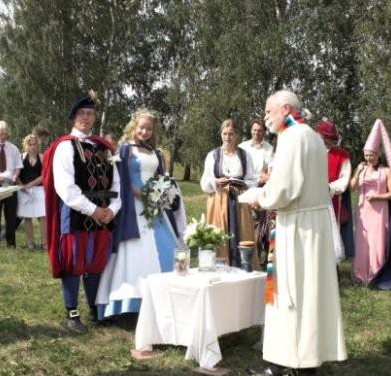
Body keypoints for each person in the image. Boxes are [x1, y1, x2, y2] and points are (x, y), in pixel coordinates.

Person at [248, 90, 347, 376]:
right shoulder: (313, 137)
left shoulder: (291, 137)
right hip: (312, 225)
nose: (265, 117)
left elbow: (284, 190)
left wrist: (258, 197)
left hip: (296, 227)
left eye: (269, 111)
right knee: (309, 293)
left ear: (286, 108)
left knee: (288, 292)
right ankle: (307, 362)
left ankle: (281, 363)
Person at [42, 93, 121, 334]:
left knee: (96, 262)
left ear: (94, 117)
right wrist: (93, 210)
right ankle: (72, 313)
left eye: (89, 114)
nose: (86, 118)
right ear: (73, 118)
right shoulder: (64, 146)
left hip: (104, 213)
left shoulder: (103, 147)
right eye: (81, 114)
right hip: (76, 212)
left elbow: (117, 182)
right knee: (73, 262)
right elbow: (65, 187)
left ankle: (95, 309)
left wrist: (112, 210)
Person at [96, 110, 186, 320]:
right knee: (136, 252)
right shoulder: (126, 150)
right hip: (134, 207)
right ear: (134, 127)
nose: (144, 131)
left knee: (167, 246)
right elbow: (123, 180)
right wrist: (144, 195)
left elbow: (158, 177)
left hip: (155, 206)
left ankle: (167, 297)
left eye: (149, 128)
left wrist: (160, 194)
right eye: (141, 127)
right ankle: (131, 300)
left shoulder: (154, 152)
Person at [350, 119, 391, 290]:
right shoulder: (362, 170)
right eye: (366, 155)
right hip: (363, 211)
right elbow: (352, 187)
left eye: (371, 154)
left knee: (377, 242)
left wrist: (377, 197)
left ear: (378, 154)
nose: (368, 158)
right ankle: (360, 274)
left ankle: (376, 274)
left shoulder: (386, 171)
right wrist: (357, 171)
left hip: (379, 212)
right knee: (362, 243)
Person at [200, 119, 258, 268]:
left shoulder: (245, 156)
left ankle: (244, 268)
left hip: (240, 201)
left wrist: (243, 185)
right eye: (225, 134)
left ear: (236, 135)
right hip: (219, 200)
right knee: (220, 234)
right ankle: (221, 268)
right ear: (221, 135)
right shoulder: (213, 155)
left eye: (231, 134)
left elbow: (253, 179)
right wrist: (215, 182)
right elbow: (204, 182)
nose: (227, 137)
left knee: (242, 233)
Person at [314, 119, 355, 260]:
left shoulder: (341, 155)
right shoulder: (310, 153)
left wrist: (329, 188)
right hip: (311, 200)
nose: (326, 140)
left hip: (333, 199)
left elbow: (344, 179)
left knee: (332, 234)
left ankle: (333, 271)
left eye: (329, 137)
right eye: (323, 136)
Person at [239, 119, 274, 266]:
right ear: (250, 131)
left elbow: (271, 171)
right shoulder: (242, 147)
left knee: (260, 224)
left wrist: (266, 176)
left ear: (264, 132)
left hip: (261, 188)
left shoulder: (269, 149)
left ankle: (255, 258)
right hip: (243, 187)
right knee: (243, 222)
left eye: (260, 130)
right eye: (254, 130)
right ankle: (243, 256)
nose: (256, 133)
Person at [16, 134, 46, 249]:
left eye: (35, 144)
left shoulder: (42, 157)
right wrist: (21, 185)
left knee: (43, 217)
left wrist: (31, 184)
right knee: (27, 217)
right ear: (25, 145)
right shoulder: (20, 157)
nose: (33, 147)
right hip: (23, 190)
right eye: (30, 144)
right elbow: (16, 174)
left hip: (39, 189)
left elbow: (44, 175)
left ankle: (45, 243)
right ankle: (30, 243)